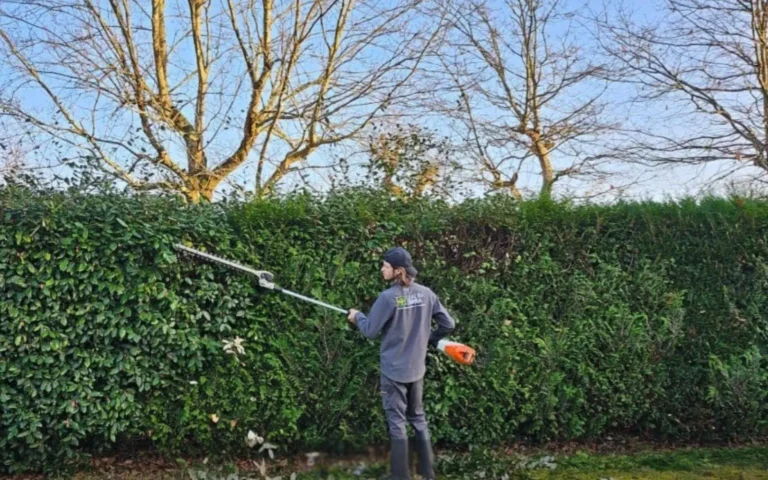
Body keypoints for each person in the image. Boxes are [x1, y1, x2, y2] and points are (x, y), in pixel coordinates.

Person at [347, 247, 456, 480]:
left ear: (397, 271)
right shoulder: (426, 293)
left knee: (397, 422)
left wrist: (357, 316)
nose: (381, 269)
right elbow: (448, 324)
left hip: (394, 371)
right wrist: (429, 339)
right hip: (417, 369)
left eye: (385, 266)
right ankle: (428, 473)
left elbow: (370, 331)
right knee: (417, 417)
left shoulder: (387, 298)